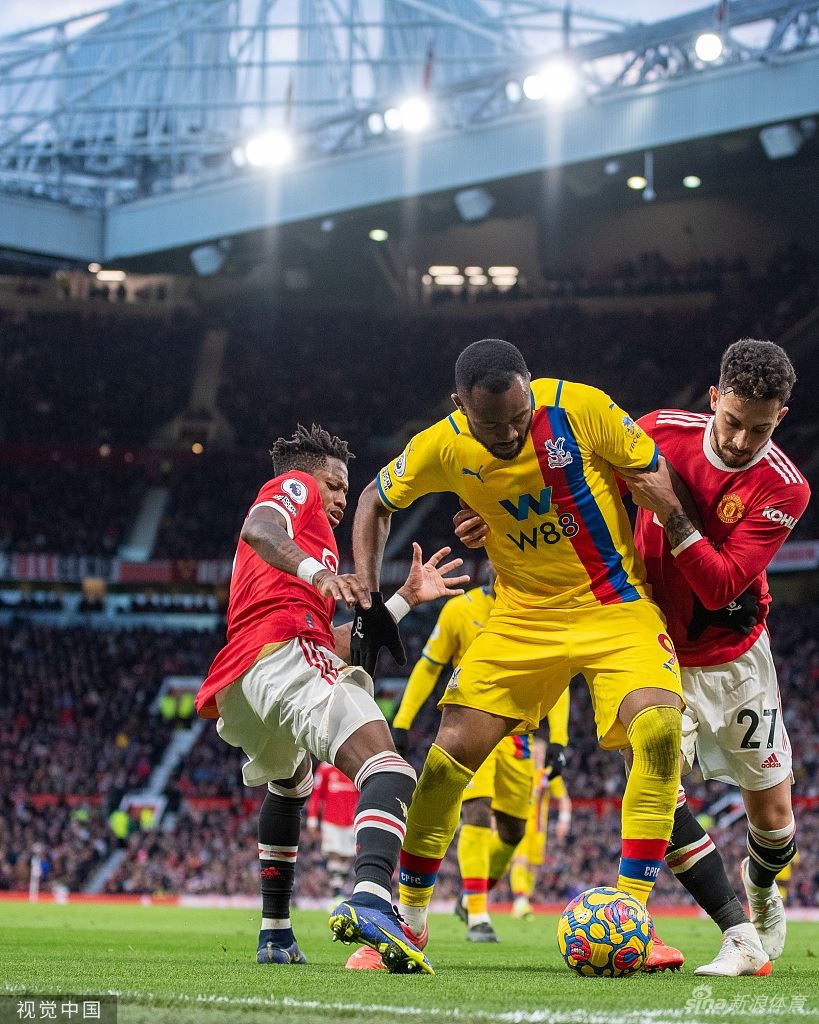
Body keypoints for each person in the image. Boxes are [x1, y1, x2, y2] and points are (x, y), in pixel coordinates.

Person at [349, 338, 684, 956]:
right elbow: (373, 498)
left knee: (660, 731)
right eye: (492, 424)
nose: (509, 434)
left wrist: (675, 531)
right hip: (521, 616)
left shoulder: (580, 407)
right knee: (446, 758)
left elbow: (653, 470)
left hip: (614, 604)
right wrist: (368, 599)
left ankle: (633, 914)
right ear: (460, 407)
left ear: (531, 390)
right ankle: (410, 921)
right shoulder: (441, 447)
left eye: (519, 417)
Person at [194, 423, 468, 973]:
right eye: (336, 485)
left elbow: (335, 644)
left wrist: (405, 599)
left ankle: (275, 934)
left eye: (346, 489)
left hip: (248, 673)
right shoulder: (292, 490)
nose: (343, 498)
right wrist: (320, 574)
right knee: (389, 768)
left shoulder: (298, 556)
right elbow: (258, 527)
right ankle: (370, 896)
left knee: (290, 784)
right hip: (279, 652)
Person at [620, 338, 810, 976]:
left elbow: (721, 584)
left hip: (734, 659)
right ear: (713, 399)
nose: (739, 440)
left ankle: (761, 887)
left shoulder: (785, 486)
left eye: (759, 429)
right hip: (653, 648)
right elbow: (581, 493)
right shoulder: (656, 432)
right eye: (731, 421)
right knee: (653, 785)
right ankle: (736, 931)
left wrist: (671, 514)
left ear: (780, 417)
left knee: (775, 824)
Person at [391, 566, 559, 942]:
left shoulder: (535, 610)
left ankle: (470, 899)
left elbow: (556, 674)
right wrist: (402, 720)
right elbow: (429, 666)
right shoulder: (460, 610)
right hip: (471, 723)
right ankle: (479, 914)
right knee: (477, 812)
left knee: (514, 831)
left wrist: (559, 739)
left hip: (518, 737)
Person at [510, 729, 573, 921]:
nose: (537, 755)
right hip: (519, 823)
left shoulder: (548, 775)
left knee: (533, 866)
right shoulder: (520, 772)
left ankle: (524, 902)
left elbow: (564, 799)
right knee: (520, 860)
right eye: (534, 752)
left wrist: (564, 820)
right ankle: (520, 899)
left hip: (538, 829)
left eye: (540, 752)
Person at [306, 762, 359, 909]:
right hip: (330, 821)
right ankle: (336, 894)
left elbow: (361, 795)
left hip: (350, 821)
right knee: (334, 855)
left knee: (346, 857)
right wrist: (312, 819)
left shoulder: (354, 766)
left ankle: (338, 890)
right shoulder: (325, 768)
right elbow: (316, 794)